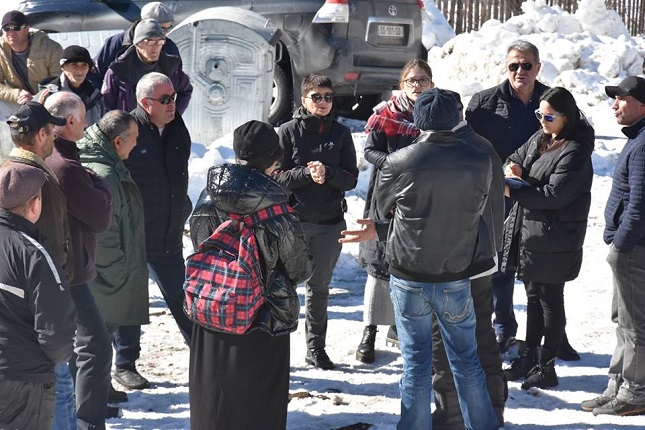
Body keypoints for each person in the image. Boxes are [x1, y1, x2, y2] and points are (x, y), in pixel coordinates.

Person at [374, 88, 498, 430]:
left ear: (418, 120)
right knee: (466, 362)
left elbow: (381, 211)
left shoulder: (399, 161)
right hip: (454, 271)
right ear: (456, 118)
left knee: (416, 364)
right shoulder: (479, 158)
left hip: (409, 272)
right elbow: (478, 204)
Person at [188, 120, 313, 430]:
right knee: (257, 403)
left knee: (213, 397)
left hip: (212, 308)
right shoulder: (277, 210)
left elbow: (201, 244)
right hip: (262, 320)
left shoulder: (207, 196)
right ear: (274, 158)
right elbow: (300, 270)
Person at [466, 40, 578, 361]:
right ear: (506, 67)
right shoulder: (483, 103)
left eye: (527, 65)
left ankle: (554, 336)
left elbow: (574, 136)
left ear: (538, 67)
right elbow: (469, 147)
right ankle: (504, 327)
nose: (520, 71)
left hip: (541, 197)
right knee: (500, 265)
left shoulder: (553, 100)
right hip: (498, 195)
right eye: (514, 65)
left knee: (542, 267)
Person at [501, 87, 594, 391]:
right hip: (533, 234)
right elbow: (515, 156)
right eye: (539, 114)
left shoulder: (575, 150)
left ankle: (547, 366)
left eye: (549, 116)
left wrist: (513, 189)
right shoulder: (542, 137)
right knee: (532, 297)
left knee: (550, 300)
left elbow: (554, 195)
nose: (542, 120)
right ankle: (528, 357)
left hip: (556, 237)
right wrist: (512, 167)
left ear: (567, 116)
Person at [112, 72, 193, 390]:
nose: (173, 104)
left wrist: (182, 207)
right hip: (132, 236)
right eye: (166, 99)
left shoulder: (177, 127)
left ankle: (205, 354)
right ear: (146, 103)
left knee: (184, 298)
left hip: (168, 233)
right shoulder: (125, 130)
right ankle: (125, 364)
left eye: (174, 97)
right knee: (131, 302)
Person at [431, 91, 507, 428]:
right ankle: (492, 409)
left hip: (456, 264)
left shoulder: (458, 149)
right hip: (480, 261)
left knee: (446, 340)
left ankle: (451, 416)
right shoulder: (481, 145)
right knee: (481, 336)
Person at [274, 73, 358, 370]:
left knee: (319, 289)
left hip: (329, 223)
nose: (323, 102)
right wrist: (306, 174)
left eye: (328, 97)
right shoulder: (288, 131)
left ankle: (316, 348)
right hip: (294, 223)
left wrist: (329, 172)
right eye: (317, 97)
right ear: (303, 100)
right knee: (283, 287)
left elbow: (351, 179)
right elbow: (276, 178)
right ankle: (276, 348)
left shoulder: (341, 133)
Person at [44, 91, 115, 429]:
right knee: (96, 347)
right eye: (83, 118)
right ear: (70, 121)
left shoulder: (53, 155)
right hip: (69, 271)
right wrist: (99, 183)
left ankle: (78, 415)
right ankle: (87, 422)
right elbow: (100, 218)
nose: (86, 125)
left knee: (79, 348)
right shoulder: (67, 166)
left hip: (61, 266)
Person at [4, 100, 77, 429]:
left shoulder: (11, 171)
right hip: (40, 307)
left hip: (30, 310)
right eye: (52, 129)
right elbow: (45, 246)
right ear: (41, 135)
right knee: (59, 387)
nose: (56, 136)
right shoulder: (32, 180)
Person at [355, 58, 431, 363]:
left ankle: (400, 326)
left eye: (422, 80)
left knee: (412, 263)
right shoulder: (385, 114)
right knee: (380, 262)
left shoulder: (436, 115)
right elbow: (370, 151)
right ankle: (370, 330)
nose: (417, 85)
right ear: (402, 84)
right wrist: (394, 163)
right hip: (386, 195)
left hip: (423, 196)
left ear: (431, 83)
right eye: (412, 80)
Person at [581, 76, 645, 416]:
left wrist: (621, 245)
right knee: (623, 320)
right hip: (629, 248)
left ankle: (635, 392)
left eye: (622, 98)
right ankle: (617, 385)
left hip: (634, 249)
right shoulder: (637, 137)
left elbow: (639, 205)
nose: (615, 105)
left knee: (635, 325)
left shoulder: (644, 143)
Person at [77, 110, 147, 404]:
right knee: (98, 341)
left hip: (103, 273)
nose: (136, 144)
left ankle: (100, 390)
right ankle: (94, 400)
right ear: (118, 141)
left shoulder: (107, 163)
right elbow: (105, 235)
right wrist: (118, 274)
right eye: (134, 139)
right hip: (105, 276)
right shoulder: (105, 173)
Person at [102, 19, 192, 114]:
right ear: (137, 44)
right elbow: (106, 107)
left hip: (159, 122)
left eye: (160, 42)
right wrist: (120, 122)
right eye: (150, 42)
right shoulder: (118, 71)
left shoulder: (170, 67)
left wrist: (173, 115)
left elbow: (186, 90)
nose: (156, 47)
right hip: (130, 122)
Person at [92, 1, 180, 88]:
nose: (165, 34)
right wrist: (106, 95)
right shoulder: (116, 43)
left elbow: (178, 81)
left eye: (168, 28)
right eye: (161, 29)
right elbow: (95, 74)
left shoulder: (170, 48)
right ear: (144, 23)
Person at [0, 10, 62, 119]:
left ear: (27, 29)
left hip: (48, 101)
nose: (11, 32)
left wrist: (38, 98)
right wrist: (17, 94)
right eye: (6, 28)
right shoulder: (1, 50)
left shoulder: (51, 48)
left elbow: (58, 82)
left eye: (16, 28)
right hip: (20, 100)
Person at [37, 45, 106, 126]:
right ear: (63, 67)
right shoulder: (48, 94)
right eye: (74, 65)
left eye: (84, 65)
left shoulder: (95, 97)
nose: (80, 70)